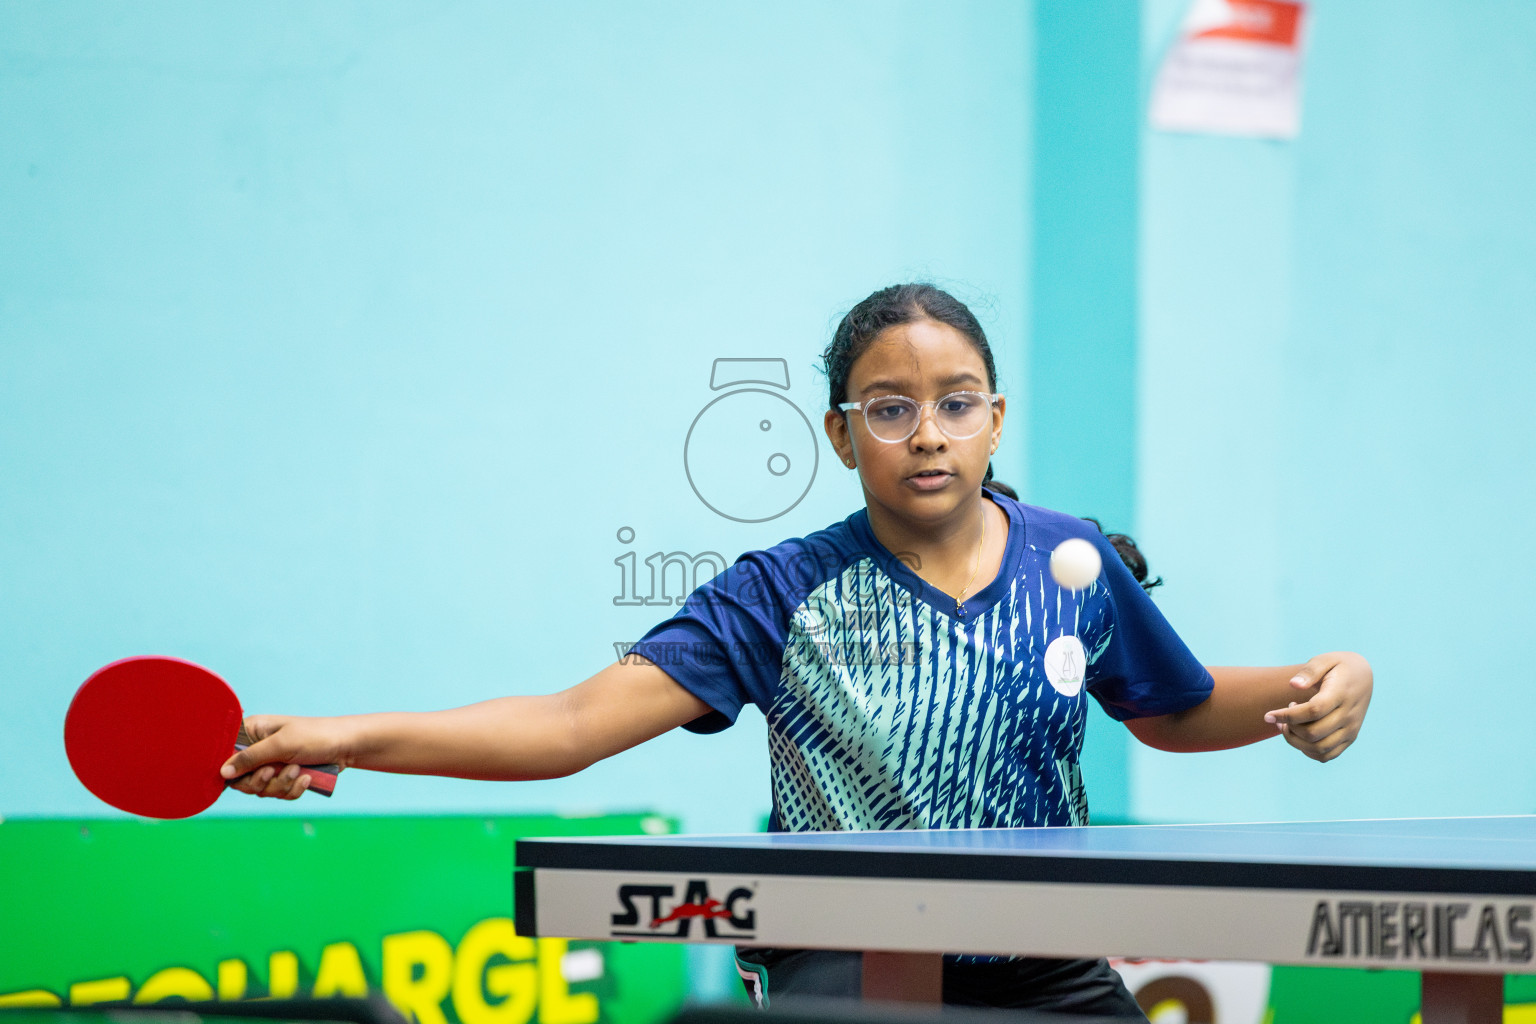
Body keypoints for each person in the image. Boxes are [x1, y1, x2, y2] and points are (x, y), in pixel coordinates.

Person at [223, 283, 1373, 1018]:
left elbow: (1173, 706)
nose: (927, 431)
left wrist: (1322, 682)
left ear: (997, 418)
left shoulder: (1070, 560)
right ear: (839, 433)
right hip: (850, 958)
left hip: (1042, 955)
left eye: (956, 402)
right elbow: (572, 727)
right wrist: (350, 736)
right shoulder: (782, 591)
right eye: (888, 407)